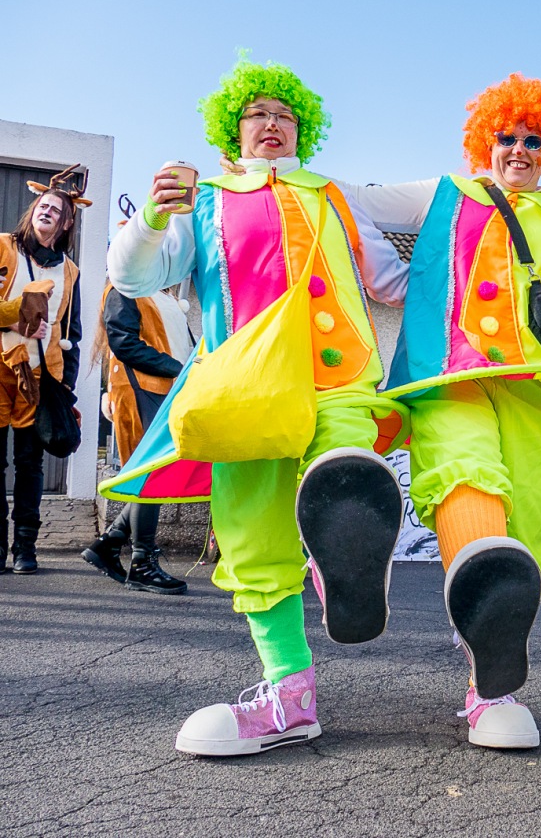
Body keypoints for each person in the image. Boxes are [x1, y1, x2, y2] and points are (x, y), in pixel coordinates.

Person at [103, 57, 411, 756]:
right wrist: (153, 217)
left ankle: (346, 553)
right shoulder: (203, 198)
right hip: (243, 389)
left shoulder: (333, 195)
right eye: (257, 115)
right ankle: (290, 696)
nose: (271, 124)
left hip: (338, 380)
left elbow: (390, 281)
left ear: (301, 127)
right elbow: (135, 274)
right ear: (232, 130)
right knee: (255, 542)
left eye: (284, 114)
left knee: (345, 470)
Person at [340, 74, 541, 749]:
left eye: (535, 140)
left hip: (538, 393)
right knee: (468, 484)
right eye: (508, 137)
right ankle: (490, 692)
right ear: (486, 140)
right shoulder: (442, 195)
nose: (520, 149)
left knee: (522, 533)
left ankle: (489, 689)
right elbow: (341, 198)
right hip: (454, 379)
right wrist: (398, 280)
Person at [82, 272, 192, 594]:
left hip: (166, 390)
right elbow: (123, 341)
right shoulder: (125, 286)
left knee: (154, 471)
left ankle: (110, 542)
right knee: (149, 473)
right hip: (141, 388)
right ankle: (142, 561)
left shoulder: (166, 296)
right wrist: (178, 369)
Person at [0, 168, 85, 575]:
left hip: (38, 378)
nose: (48, 211)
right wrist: (12, 320)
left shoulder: (69, 271)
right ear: (33, 211)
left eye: (58, 209)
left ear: (67, 222)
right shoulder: (3, 247)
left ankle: (25, 548)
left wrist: (66, 386)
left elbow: (74, 331)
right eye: (43, 205)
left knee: (31, 464)